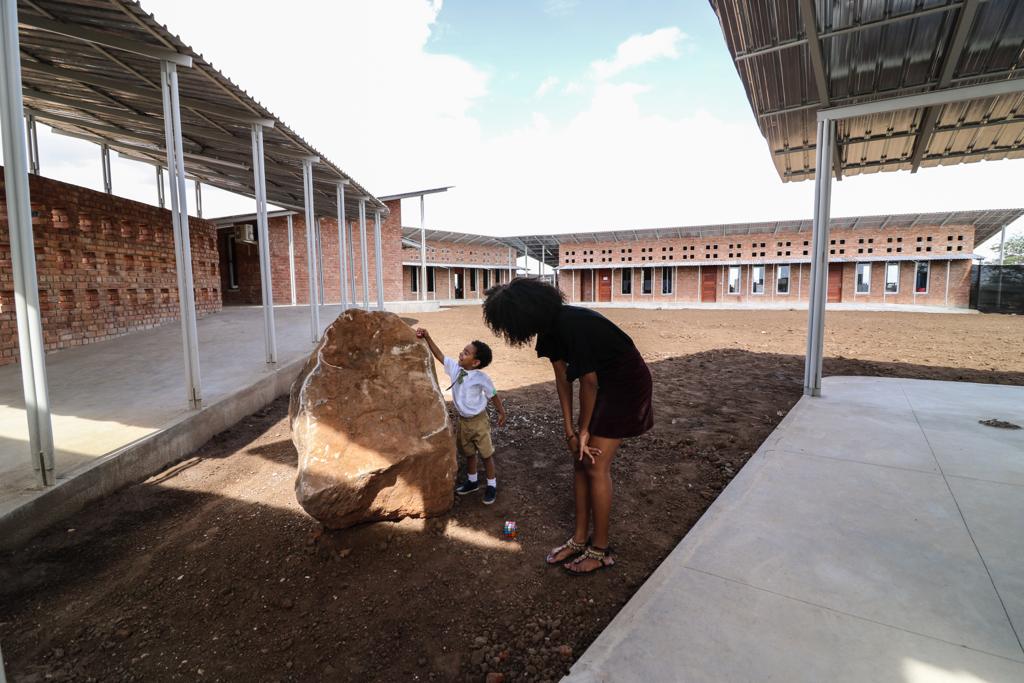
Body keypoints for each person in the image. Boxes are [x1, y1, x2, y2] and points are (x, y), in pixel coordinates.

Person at [482, 278, 653, 575]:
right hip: (602, 383)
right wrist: (570, 431)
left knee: (595, 466)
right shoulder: (547, 331)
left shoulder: (573, 323)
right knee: (579, 460)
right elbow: (563, 378)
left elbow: (589, 382)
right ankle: (578, 540)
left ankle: (600, 550)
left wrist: (585, 430)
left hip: (625, 383)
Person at [416, 328, 507, 505]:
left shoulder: (481, 378)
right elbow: (440, 356)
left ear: (475, 362)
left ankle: (491, 485)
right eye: (463, 350)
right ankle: (472, 482)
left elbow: (493, 394)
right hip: (464, 422)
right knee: (469, 453)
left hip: (479, 421)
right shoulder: (456, 369)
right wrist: (428, 336)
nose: (461, 353)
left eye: (466, 353)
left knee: (486, 454)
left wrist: (501, 411)